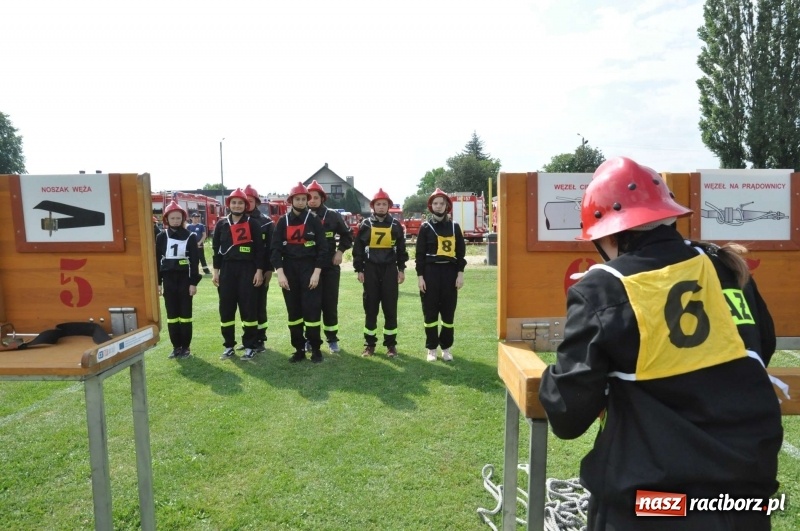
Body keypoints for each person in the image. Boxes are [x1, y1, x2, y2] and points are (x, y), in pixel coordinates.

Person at [538, 157, 783, 530]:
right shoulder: (723, 267)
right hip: (743, 498)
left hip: (654, 504)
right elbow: (760, 347)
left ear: (607, 234)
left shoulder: (603, 288)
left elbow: (568, 414)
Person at [271, 182, 329, 363]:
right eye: (298, 198)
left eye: (304, 199)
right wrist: (280, 273)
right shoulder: (282, 222)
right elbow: (274, 250)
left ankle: (316, 349)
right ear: (291, 200)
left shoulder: (314, 220)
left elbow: (323, 249)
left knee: (312, 311)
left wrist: (316, 273)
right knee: (294, 312)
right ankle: (298, 349)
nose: (301, 202)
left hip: (309, 270)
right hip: (289, 271)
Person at [352, 188, 408, 358]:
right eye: (378, 204)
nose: (381, 207)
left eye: (384, 204)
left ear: (389, 206)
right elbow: (358, 249)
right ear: (373, 206)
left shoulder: (396, 225)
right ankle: (369, 345)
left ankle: (391, 345)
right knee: (370, 308)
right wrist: (359, 269)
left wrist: (401, 269)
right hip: (370, 270)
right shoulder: (365, 225)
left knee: (390, 308)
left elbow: (401, 250)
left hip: (390, 270)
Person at [211, 188, 266, 360]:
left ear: (246, 205)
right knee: (226, 309)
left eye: (241, 202)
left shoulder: (253, 224)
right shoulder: (221, 224)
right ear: (229, 204)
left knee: (248, 308)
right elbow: (216, 250)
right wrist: (215, 272)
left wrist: (258, 271)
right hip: (227, 270)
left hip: (247, 270)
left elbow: (260, 250)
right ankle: (228, 346)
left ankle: (250, 345)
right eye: (234, 202)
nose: (237, 205)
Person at [415, 188, 466, 362]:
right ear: (431, 206)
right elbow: (419, 255)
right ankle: (431, 349)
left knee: (448, 313)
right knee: (430, 313)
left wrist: (460, 274)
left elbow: (461, 253)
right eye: (435, 203)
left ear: (447, 206)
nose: (438, 206)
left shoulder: (454, 227)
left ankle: (446, 348)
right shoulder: (425, 228)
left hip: (450, 273)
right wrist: (420, 276)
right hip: (430, 273)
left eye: (441, 203)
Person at [307, 180, 353, 353]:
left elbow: (347, 235)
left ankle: (332, 339)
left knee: (329, 304)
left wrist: (340, 252)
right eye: (309, 197)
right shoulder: (302, 216)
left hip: (330, 268)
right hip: (308, 268)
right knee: (311, 305)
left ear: (322, 198)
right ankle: (311, 340)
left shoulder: (333, 215)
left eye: (315, 197)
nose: (312, 200)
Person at [156, 201, 202, 359]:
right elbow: (157, 260)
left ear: (183, 218)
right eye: (172, 218)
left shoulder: (190, 236)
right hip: (168, 279)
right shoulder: (161, 237)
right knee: (172, 315)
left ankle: (186, 347)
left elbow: (194, 262)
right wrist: (158, 283)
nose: (175, 220)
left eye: (178, 218)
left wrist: (193, 283)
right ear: (166, 219)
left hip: (184, 280)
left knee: (185, 315)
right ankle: (176, 346)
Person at [239, 184, 273, 353]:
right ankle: (248, 337)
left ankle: (261, 338)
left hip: (261, 269)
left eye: (250, 201)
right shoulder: (236, 221)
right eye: (245, 201)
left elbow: (271, 248)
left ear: (256, 202)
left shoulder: (266, 222)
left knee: (259, 304)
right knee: (245, 305)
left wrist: (269, 270)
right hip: (243, 269)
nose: (247, 204)